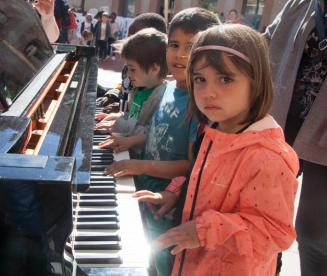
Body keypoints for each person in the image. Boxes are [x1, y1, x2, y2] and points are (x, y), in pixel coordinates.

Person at [134, 24, 299, 276]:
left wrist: (204, 230)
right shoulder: (215, 130)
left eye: (225, 79)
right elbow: (205, 177)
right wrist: (176, 192)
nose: (208, 92)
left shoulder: (267, 157)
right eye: (200, 79)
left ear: (256, 84)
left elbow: (276, 233)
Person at [100, 8, 220, 276]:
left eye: (192, 46)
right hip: (145, 185)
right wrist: (130, 141)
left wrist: (141, 166)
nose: (180, 54)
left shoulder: (199, 104)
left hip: (166, 201)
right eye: (175, 45)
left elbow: (190, 166)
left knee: (159, 260)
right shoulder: (165, 88)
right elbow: (156, 132)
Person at [264, 1, 327, 275]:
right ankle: (264, 269)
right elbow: (263, 43)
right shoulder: (302, 4)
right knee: (263, 214)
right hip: (281, 124)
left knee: (315, 233)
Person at [94, 28, 168, 145]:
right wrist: (120, 115)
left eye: (132, 69)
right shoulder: (138, 89)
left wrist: (120, 125)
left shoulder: (162, 99)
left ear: (154, 69)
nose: (128, 73)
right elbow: (136, 117)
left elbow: (152, 134)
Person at [95, 13, 167, 112]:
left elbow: (138, 111)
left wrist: (121, 110)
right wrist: (112, 95)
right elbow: (125, 85)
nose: (130, 41)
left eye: (135, 38)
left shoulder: (150, 78)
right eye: (129, 37)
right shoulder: (131, 68)